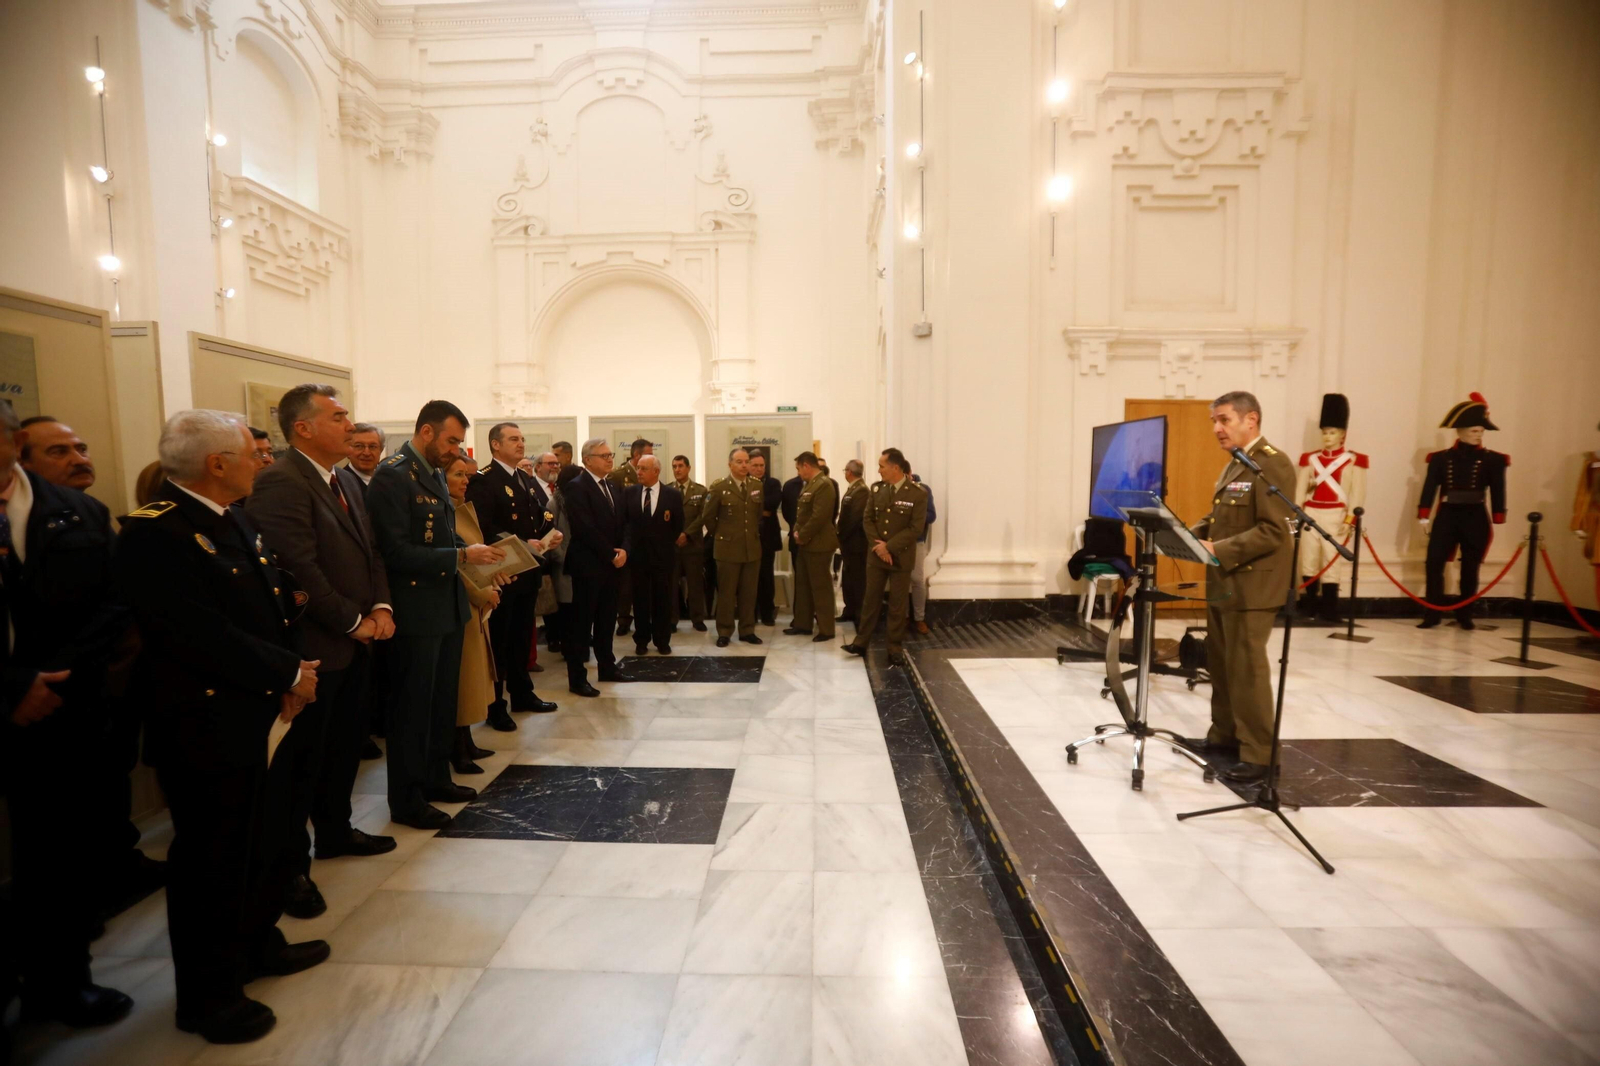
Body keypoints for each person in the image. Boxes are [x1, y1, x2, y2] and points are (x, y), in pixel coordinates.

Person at [115, 409, 325, 1044]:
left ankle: (257, 944)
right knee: (211, 859)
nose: (261, 460)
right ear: (215, 464)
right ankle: (207, 997)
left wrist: (287, 676)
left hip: (259, 706)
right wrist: (287, 672)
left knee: (260, 841)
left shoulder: (229, 519)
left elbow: (268, 602)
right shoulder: (157, 534)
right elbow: (196, 633)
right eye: (249, 452)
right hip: (205, 721)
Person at [243, 384, 398, 930]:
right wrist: (353, 621)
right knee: (299, 767)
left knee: (341, 752)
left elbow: (371, 551)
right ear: (303, 428)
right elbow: (298, 567)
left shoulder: (344, 481)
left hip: (356, 641)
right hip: (315, 649)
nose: (351, 426)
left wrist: (379, 606)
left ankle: (336, 831)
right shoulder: (281, 481)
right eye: (339, 417)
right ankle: (292, 869)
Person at [0, 399, 134, 1029]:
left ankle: (62, 981)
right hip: (17, 699)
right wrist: (13, 684)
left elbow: (112, 605)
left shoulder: (79, 515)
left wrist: (55, 682)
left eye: (81, 448)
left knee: (62, 854)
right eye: (62, 450)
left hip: (68, 709)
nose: (80, 460)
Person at [367, 401, 502, 829]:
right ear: (426, 432)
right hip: (416, 609)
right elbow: (395, 550)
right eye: (451, 440)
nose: (455, 449)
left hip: (445, 607)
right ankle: (407, 800)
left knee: (441, 705)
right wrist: (462, 554)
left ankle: (436, 778)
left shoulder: (432, 474)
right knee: (412, 710)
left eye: (459, 441)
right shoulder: (393, 475)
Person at [1183, 390, 1296, 785]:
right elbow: (1222, 517)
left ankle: (1259, 755)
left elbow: (1273, 531)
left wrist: (1219, 548)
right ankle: (1225, 738)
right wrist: (1189, 533)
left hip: (1253, 585)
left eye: (1224, 420)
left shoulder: (1272, 465)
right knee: (1221, 664)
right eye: (1214, 421)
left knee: (1246, 670)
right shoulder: (1237, 465)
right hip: (1225, 580)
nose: (1217, 428)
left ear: (1252, 419)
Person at [465, 422, 558, 729]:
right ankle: (496, 705)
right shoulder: (485, 481)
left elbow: (538, 517)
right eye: (514, 439)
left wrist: (548, 535)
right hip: (503, 574)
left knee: (520, 637)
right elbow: (484, 528)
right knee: (501, 642)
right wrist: (520, 544)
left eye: (522, 439)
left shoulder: (524, 478)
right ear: (495, 445)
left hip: (527, 571)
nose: (521, 444)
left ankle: (522, 694)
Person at [1417, 393, 1508, 631]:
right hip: (1447, 514)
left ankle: (1465, 613)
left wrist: (1499, 513)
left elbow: (1498, 489)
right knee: (1434, 562)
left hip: (1475, 515)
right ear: (1460, 431)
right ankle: (1432, 613)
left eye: (1480, 431)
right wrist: (1424, 514)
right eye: (1474, 430)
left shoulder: (1493, 460)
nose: (1478, 434)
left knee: (1470, 566)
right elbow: (1430, 487)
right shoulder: (1441, 459)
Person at [842, 449, 926, 666]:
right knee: (870, 600)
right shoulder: (877, 489)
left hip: (901, 557)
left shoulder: (917, 494)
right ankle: (860, 643)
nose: (878, 470)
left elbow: (915, 528)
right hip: (877, 557)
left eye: (882, 466)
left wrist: (889, 547)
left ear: (895, 468)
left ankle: (894, 647)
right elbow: (867, 520)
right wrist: (879, 548)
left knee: (898, 605)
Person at [564, 439, 634, 695]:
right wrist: (609, 554)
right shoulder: (576, 487)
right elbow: (584, 528)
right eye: (603, 455)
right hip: (589, 565)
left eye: (610, 454)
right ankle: (577, 679)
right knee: (582, 624)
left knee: (607, 619)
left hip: (613, 564)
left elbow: (625, 523)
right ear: (588, 459)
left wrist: (624, 549)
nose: (609, 459)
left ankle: (608, 666)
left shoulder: (614, 486)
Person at [445, 455, 500, 774]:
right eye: (458, 475)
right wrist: (483, 592)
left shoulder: (465, 506)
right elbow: (459, 565)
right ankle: (457, 748)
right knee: (463, 680)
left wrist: (496, 579)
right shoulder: (445, 511)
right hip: (464, 603)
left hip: (479, 601)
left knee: (474, 677)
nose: (466, 480)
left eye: (467, 475)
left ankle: (466, 741)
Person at [701, 447, 763, 648]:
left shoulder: (756, 485)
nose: (744, 465)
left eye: (747, 461)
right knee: (727, 594)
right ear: (730, 464)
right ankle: (725, 631)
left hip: (751, 548)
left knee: (749, 592)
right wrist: (722, 535)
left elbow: (757, 514)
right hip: (727, 550)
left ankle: (747, 630)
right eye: (739, 462)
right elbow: (708, 517)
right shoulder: (719, 487)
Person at [624, 455, 683, 655]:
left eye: (643, 469)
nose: (638, 472)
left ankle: (662, 640)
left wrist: (664, 545)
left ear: (655, 471)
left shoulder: (672, 495)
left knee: (662, 601)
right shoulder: (629, 493)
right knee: (640, 601)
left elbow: (677, 526)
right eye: (637, 468)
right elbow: (625, 524)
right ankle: (641, 640)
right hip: (637, 558)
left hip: (663, 558)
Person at [784, 451, 839, 641]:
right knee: (804, 585)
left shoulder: (824, 484)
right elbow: (801, 513)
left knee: (820, 587)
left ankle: (826, 629)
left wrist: (803, 535)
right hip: (806, 543)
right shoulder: (811, 485)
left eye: (799, 468)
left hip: (819, 544)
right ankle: (803, 624)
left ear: (806, 466)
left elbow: (820, 516)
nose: (798, 472)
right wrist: (797, 532)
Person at [609, 439, 651, 636]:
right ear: (636, 456)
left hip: (645, 538)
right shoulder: (618, 475)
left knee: (643, 582)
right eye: (648, 453)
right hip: (625, 537)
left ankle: (645, 619)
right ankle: (624, 619)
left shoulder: (650, 473)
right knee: (625, 585)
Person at [669, 454, 709, 632]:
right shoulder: (667, 490)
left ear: (688, 468)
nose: (677, 470)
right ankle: (672, 620)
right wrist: (675, 535)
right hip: (672, 545)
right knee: (671, 585)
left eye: (680, 466)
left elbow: (703, 516)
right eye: (674, 467)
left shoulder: (700, 491)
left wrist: (687, 534)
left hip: (693, 545)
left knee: (695, 585)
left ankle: (697, 618)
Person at [748, 451, 783, 626]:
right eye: (755, 465)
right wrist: (760, 509)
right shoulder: (744, 483)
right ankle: (751, 614)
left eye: (762, 465)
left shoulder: (773, 483)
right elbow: (746, 506)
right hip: (748, 537)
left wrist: (753, 507)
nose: (759, 469)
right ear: (748, 466)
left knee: (766, 576)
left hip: (768, 537)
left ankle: (767, 613)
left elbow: (773, 503)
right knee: (749, 578)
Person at [17, 415, 96, 490]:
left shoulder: (90, 503)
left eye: (82, 450)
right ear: (21, 464)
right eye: (59, 452)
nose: (81, 460)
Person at [837, 459, 869, 624]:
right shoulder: (854, 489)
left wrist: (840, 535)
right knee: (848, 579)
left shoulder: (861, 491)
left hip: (856, 543)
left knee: (857, 580)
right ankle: (849, 610)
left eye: (845, 470)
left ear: (849, 472)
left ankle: (859, 613)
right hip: (849, 543)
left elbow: (855, 518)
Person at [907, 466, 937, 634]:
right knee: (900, 580)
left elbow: (931, 515)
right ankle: (901, 618)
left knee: (917, 579)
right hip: (897, 541)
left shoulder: (923, 490)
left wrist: (913, 516)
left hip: (916, 540)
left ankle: (919, 618)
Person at [347, 423, 386, 489]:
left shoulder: (388, 479)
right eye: (359, 446)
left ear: (381, 450)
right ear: (348, 451)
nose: (366, 453)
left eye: (372, 446)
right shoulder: (339, 483)